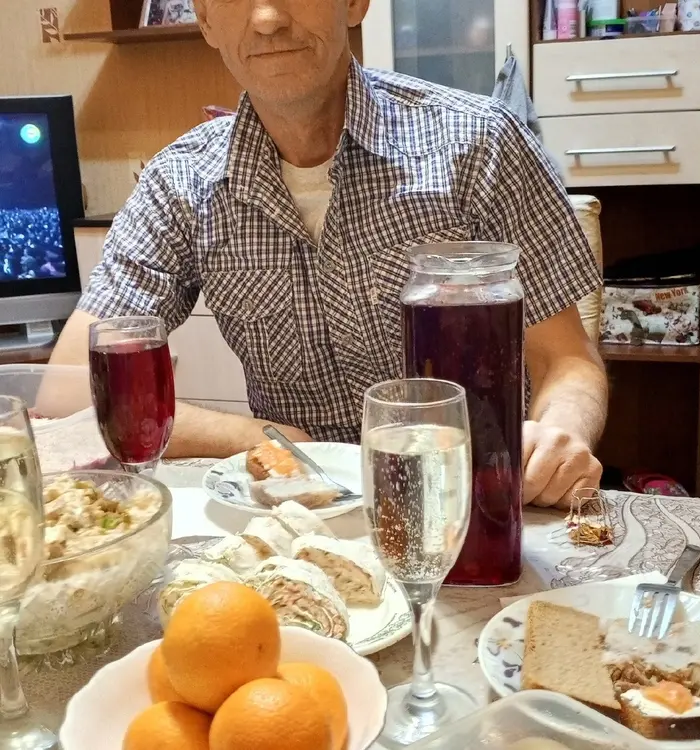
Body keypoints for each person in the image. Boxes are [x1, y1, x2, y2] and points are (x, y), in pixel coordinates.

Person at [49, 0, 608, 509]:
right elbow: (69, 391)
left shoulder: (481, 144)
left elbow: (566, 359)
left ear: (355, 4)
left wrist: (558, 435)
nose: (267, 18)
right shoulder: (179, 185)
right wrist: (256, 436)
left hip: (472, 506)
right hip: (300, 516)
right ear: (205, 19)